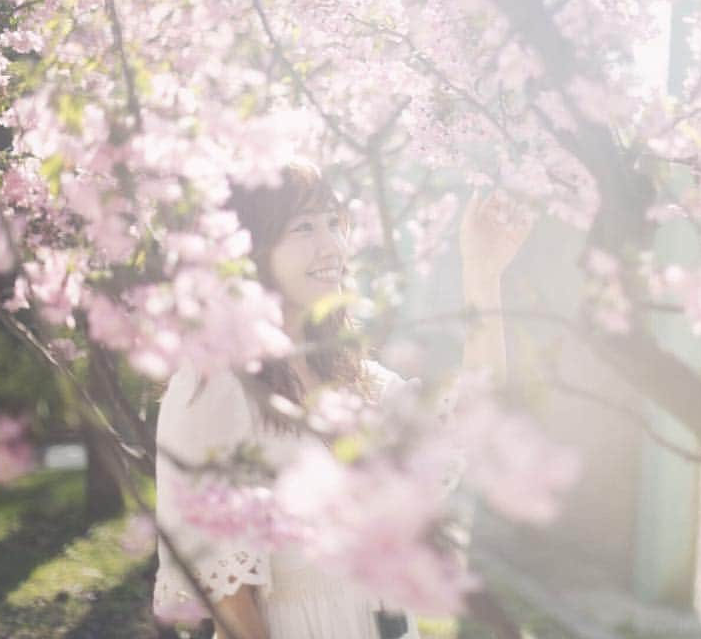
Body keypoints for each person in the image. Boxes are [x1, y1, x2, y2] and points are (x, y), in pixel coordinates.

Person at [152, 165, 533, 639]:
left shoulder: (351, 380)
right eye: (304, 227)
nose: (331, 244)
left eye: (334, 223)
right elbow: (228, 596)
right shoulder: (213, 386)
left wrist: (482, 274)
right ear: (248, 247)